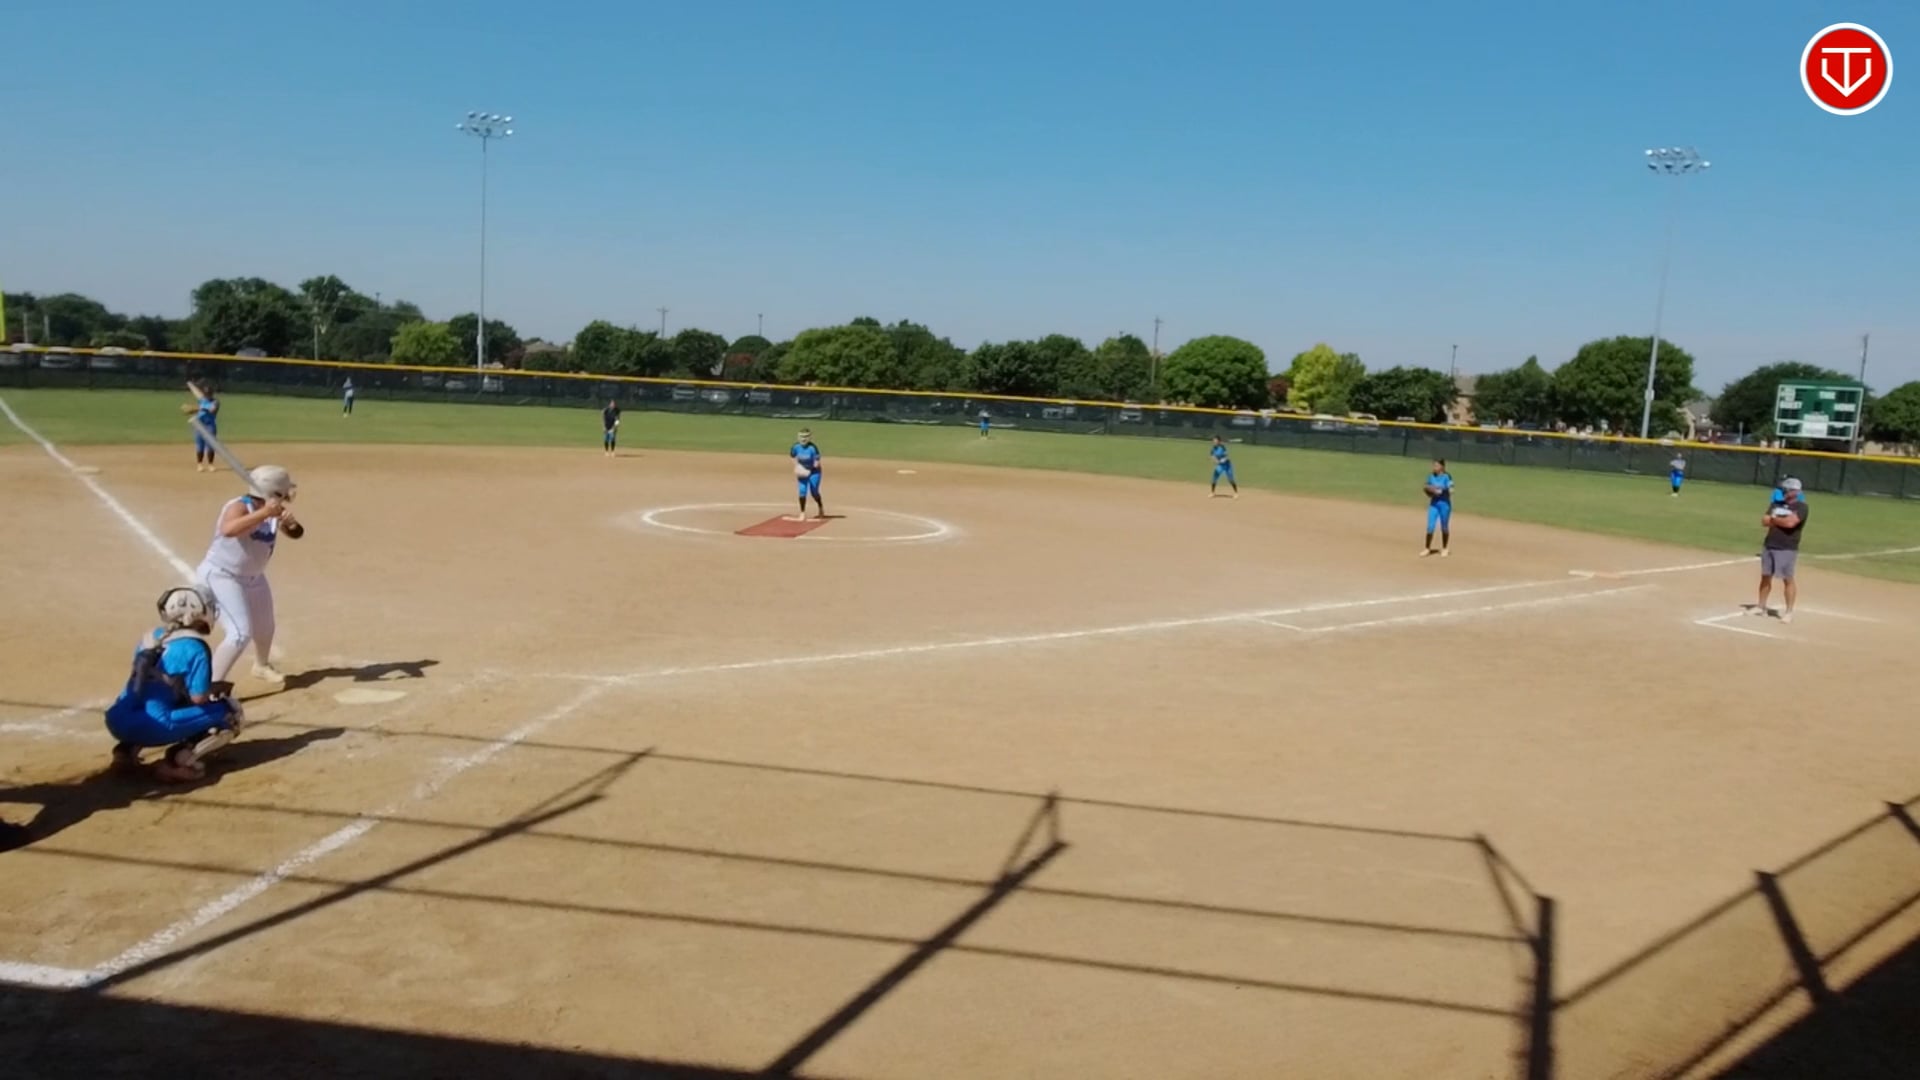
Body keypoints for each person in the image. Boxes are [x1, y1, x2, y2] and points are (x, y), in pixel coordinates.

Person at [103, 584, 247, 783]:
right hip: (154, 725)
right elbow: (198, 698)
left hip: (117, 720)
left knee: (156, 699)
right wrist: (216, 690)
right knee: (231, 713)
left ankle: (125, 754)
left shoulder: (151, 636)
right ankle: (177, 763)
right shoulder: (196, 647)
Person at [198, 465, 305, 686]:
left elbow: (297, 533)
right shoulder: (239, 506)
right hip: (223, 576)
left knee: (265, 626)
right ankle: (208, 686)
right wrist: (264, 513)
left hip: (254, 577)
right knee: (239, 633)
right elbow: (229, 530)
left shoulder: (273, 510)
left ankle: (261, 666)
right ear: (274, 491)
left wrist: (290, 524)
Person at [1753, 478, 1809, 623]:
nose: (1784, 492)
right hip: (1769, 545)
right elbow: (1764, 521)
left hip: (1787, 547)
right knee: (1765, 576)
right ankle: (1761, 606)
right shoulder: (1776, 504)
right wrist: (1777, 520)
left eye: (1786, 490)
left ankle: (1789, 612)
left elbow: (1790, 523)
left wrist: (1774, 519)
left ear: (1794, 492)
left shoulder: (1801, 507)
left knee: (1787, 579)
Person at [184, 380, 220, 472]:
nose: (207, 395)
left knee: (211, 445)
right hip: (199, 425)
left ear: (212, 394)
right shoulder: (202, 399)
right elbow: (196, 392)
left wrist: (195, 409)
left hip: (209, 425)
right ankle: (199, 464)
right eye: (206, 394)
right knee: (200, 446)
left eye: (208, 394)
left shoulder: (215, 402)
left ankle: (210, 464)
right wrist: (189, 383)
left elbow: (212, 410)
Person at [790, 428, 825, 520]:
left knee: (814, 491)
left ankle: (820, 507)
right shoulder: (795, 447)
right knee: (802, 490)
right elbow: (793, 456)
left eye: (806, 437)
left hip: (814, 472)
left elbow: (817, 463)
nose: (803, 439)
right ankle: (802, 512)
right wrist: (797, 466)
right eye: (801, 437)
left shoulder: (813, 448)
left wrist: (808, 470)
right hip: (803, 471)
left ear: (809, 438)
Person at [1422, 459, 1454, 557]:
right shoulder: (1431, 476)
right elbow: (1426, 486)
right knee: (1430, 526)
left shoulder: (1447, 476)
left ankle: (1444, 548)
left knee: (1444, 527)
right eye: (1433, 465)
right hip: (1434, 504)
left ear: (1442, 467)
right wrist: (1429, 490)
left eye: (1436, 465)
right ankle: (1427, 548)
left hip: (1444, 505)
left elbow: (1451, 489)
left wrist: (1441, 490)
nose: (1434, 467)